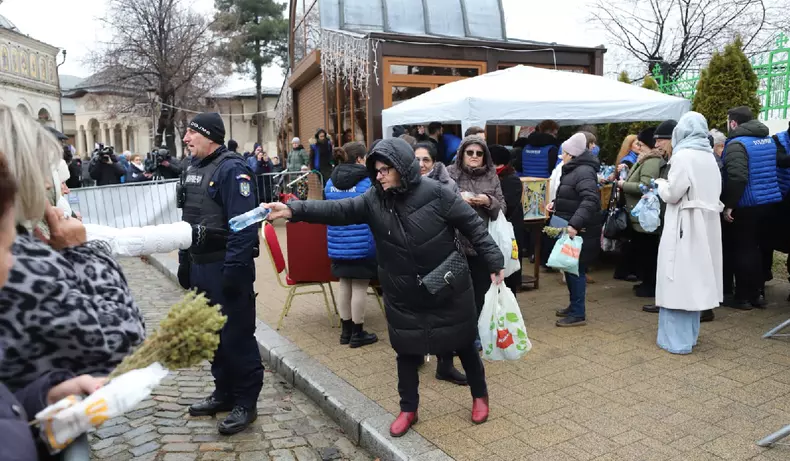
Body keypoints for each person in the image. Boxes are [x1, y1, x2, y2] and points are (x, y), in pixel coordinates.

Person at [264, 138, 504, 437]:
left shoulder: (438, 193)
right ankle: (408, 409)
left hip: (447, 286)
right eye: (376, 170)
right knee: (405, 351)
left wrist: (495, 261)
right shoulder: (372, 200)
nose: (379, 175)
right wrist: (292, 211)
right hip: (401, 291)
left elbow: (474, 226)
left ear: (402, 167)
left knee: (464, 343)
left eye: (385, 169)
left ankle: (480, 397)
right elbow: (337, 211)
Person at [0, 106, 144, 390]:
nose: (45, 183)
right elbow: (121, 338)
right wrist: (81, 252)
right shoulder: (21, 264)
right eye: (41, 170)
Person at [179, 112, 263, 435]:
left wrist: (234, 271)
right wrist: (184, 260)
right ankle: (224, 392)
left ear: (210, 136)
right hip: (200, 267)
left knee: (236, 336)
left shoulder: (232, 170)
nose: (186, 139)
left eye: (191, 133)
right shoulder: (192, 169)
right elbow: (187, 222)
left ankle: (246, 402)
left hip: (226, 268)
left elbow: (243, 227)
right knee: (212, 336)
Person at [654, 112, 723, 354]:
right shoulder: (709, 156)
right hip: (706, 223)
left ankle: (676, 340)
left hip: (684, 222)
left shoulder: (682, 156)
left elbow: (673, 192)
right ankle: (690, 335)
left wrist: (660, 185)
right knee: (696, 278)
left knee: (678, 279)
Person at [413, 141, 468, 386]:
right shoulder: (403, 185)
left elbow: (458, 219)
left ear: (435, 162)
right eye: (416, 159)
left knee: (444, 312)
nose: (421, 165)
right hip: (412, 258)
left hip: (442, 256)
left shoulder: (448, 185)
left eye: (426, 160)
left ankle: (445, 365)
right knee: (415, 311)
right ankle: (414, 354)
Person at [721, 106, 782, 309]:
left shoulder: (736, 144)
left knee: (743, 249)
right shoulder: (768, 140)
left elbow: (738, 178)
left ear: (733, 123)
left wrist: (729, 205)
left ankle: (743, 298)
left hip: (747, 204)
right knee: (759, 249)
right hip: (769, 202)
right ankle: (758, 295)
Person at [325, 143, 379, 348]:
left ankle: (345, 332)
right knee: (359, 287)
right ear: (359, 159)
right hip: (362, 243)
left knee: (344, 285)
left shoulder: (330, 181)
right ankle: (358, 333)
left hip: (337, 243)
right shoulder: (368, 181)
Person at [447, 136, 506, 319]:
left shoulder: (491, 175)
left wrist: (488, 201)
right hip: (454, 243)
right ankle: (460, 333)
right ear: (462, 153)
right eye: (469, 152)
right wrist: (459, 198)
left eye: (479, 153)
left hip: (482, 243)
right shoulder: (449, 173)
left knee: (481, 291)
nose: (474, 156)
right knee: (456, 293)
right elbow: (439, 202)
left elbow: (502, 207)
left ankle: (479, 333)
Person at [547, 133, 601, 327]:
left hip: (579, 228)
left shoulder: (583, 171)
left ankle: (578, 313)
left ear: (573, 153)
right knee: (571, 268)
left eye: (565, 152)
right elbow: (573, 196)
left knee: (576, 269)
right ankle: (574, 306)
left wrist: (575, 224)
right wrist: (555, 204)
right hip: (571, 224)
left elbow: (590, 200)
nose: (562, 156)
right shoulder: (575, 169)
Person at [618, 122, 675, 301]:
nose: (638, 148)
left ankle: (650, 284)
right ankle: (647, 282)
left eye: (641, 144)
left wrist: (623, 184)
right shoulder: (647, 159)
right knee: (644, 250)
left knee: (648, 251)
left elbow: (647, 186)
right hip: (642, 215)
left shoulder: (651, 161)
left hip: (645, 216)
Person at [489, 144, 526, 294]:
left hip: (508, 235)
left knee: (509, 278)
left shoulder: (511, 180)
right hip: (492, 233)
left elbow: (507, 207)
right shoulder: (489, 177)